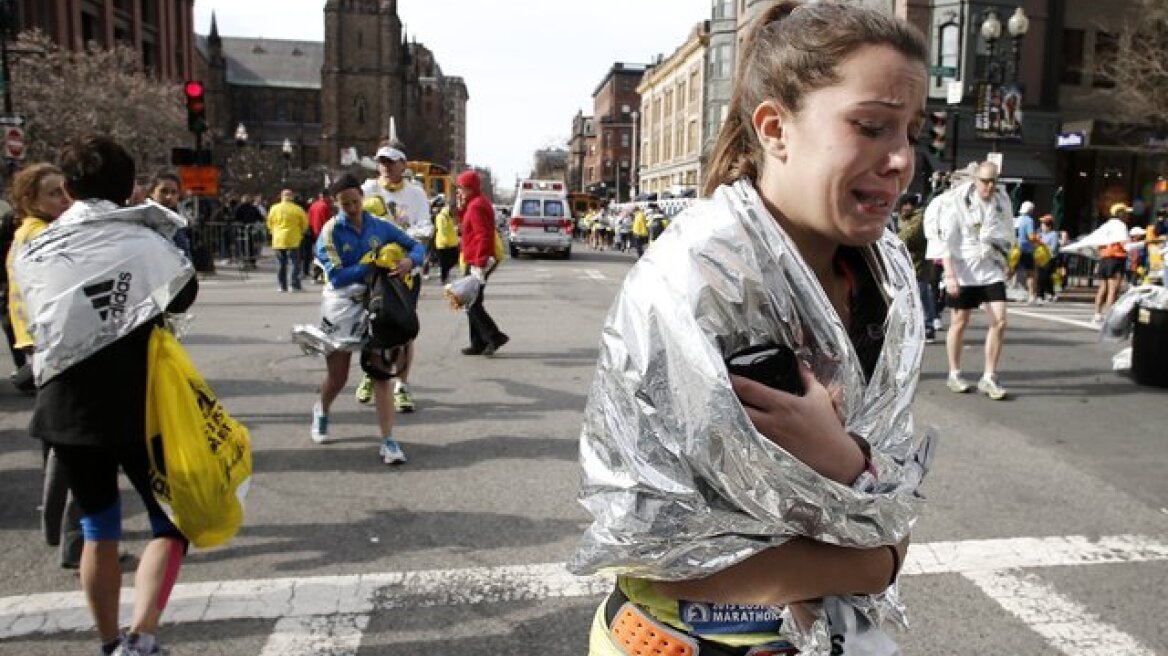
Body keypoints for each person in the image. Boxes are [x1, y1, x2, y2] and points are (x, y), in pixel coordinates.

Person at [571, 4, 931, 654]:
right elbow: (673, 560)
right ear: (775, 127)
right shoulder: (697, 282)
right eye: (873, 127)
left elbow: (897, 492)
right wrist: (877, 557)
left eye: (912, 130)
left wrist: (847, 466)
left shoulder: (887, 273)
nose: (901, 158)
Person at [12, 135, 198, 656]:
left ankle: (109, 641)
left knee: (99, 528)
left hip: (66, 405)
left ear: (69, 188)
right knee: (170, 523)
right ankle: (143, 636)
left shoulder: (36, 247)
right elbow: (182, 294)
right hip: (137, 401)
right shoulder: (143, 241)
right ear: (129, 186)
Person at [311, 174, 424, 464]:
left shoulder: (379, 225)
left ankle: (388, 441)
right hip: (341, 304)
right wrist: (369, 264)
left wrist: (409, 261)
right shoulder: (330, 231)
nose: (351, 208)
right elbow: (335, 277)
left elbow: (416, 246)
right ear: (336, 204)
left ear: (362, 196)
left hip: (376, 301)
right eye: (344, 204)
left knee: (381, 373)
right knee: (339, 376)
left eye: (355, 201)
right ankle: (322, 408)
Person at [5, 163, 83, 568]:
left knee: (59, 447)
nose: (64, 200)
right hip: (55, 350)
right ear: (30, 200)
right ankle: (74, 538)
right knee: (77, 446)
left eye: (65, 191)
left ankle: (59, 528)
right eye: (53, 193)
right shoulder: (42, 236)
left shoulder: (26, 235)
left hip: (39, 348)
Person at [360, 145, 432, 413]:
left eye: (391, 163)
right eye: (382, 163)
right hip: (374, 270)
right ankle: (370, 375)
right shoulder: (368, 190)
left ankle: (402, 385)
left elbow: (426, 226)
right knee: (372, 324)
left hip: (405, 270)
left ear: (403, 164)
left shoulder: (415, 194)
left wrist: (406, 251)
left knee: (403, 330)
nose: (387, 168)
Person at [934, 161, 1014, 400]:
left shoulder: (1002, 202)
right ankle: (954, 372)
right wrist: (950, 275)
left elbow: (1008, 231)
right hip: (964, 268)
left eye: (993, 182)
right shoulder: (958, 202)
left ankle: (989, 376)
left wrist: (1008, 259)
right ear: (975, 180)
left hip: (991, 268)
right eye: (984, 181)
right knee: (960, 321)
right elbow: (946, 240)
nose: (989, 186)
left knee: (999, 321)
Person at [457, 169, 509, 356]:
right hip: (474, 258)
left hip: (477, 260)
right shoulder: (475, 203)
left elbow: (483, 235)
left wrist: (479, 263)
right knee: (473, 301)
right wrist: (462, 207)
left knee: (470, 302)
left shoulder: (477, 205)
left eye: (462, 188)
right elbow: (467, 225)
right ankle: (478, 342)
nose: (459, 191)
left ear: (471, 188)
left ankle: (493, 336)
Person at [897, 195, 936, 342]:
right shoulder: (913, 218)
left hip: (918, 265)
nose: (900, 211)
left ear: (908, 205)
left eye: (902, 207)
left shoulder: (918, 219)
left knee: (920, 297)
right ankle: (925, 326)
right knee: (920, 296)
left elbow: (906, 238)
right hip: (915, 264)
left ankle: (927, 326)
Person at [1093, 203, 1132, 323]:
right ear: (1121, 214)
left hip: (1104, 258)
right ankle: (1110, 316)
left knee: (1102, 288)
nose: (1127, 216)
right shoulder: (1121, 226)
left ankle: (1097, 314)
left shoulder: (1106, 226)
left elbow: (1097, 244)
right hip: (1116, 258)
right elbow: (1125, 245)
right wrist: (1139, 245)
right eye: (1126, 213)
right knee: (1113, 290)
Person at [267, 189, 309, 292]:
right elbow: (305, 223)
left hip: (278, 239)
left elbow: (269, 222)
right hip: (293, 238)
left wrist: (273, 231)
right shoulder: (297, 209)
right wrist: (301, 232)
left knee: (281, 263)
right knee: (294, 262)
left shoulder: (274, 208)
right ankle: (294, 284)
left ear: (281, 197)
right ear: (292, 197)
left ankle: (282, 285)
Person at [1014, 200, 1039, 304]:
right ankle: (1031, 296)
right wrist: (1038, 243)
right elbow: (1031, 236)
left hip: (1015, 249)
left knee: (1010, 271)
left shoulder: (1016, 220)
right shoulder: (1029, 220)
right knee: (1031, 273)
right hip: (1027, 250)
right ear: (1030, 210)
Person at [432, 195, 461, 284]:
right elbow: (442, 230)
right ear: (450, 207)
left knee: (454, 259)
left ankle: (444, 276)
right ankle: (443, 279)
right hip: (444, 244)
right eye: (454, 209)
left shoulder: (449, 216)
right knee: (445, 263)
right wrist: (445, 241)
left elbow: (450, 229)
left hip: (451, 243)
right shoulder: (442, 216)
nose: (456, 211)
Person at [1036, 214, 1061, 301]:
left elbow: (1053, 248)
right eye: (1041, 224)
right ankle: (1048, 294)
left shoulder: (1053, 234)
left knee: (1045, 277)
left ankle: (1042, 295)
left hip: (1050, 258)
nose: (1041, 226)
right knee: (1041, 277)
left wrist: (1042, 244)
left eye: (1043, 224)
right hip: (1041, 258)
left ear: (1049, 226)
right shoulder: (1040, 234)